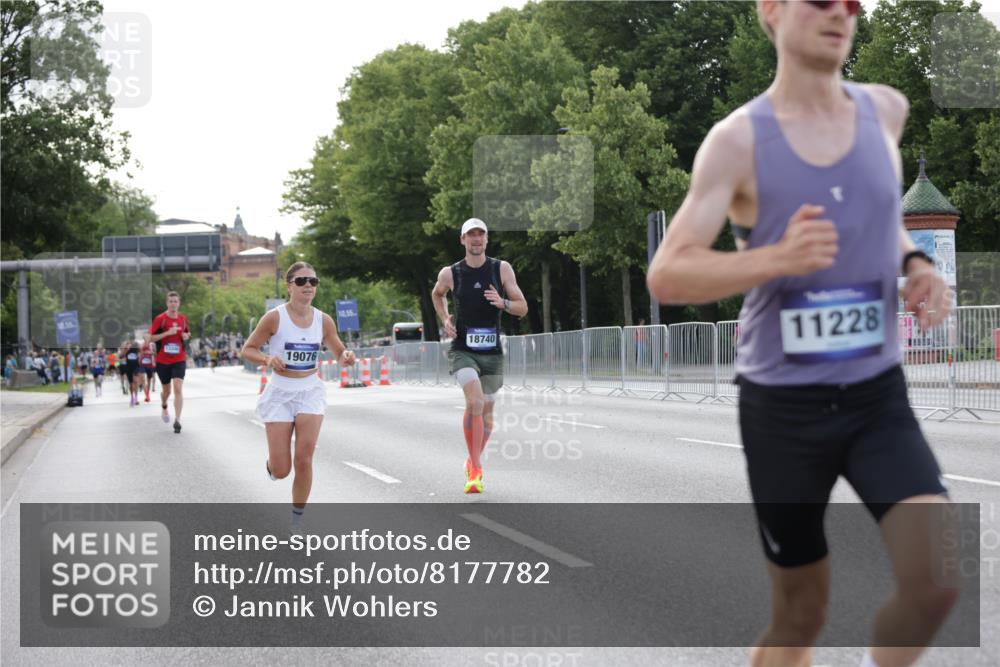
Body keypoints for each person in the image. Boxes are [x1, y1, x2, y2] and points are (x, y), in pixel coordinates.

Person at [647, 3, 956, 666]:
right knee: (801, 615)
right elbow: (668, 274)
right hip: (783, 408)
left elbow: (880, 215)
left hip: (877, 394)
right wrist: (775, 258)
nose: (842, 12)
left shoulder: (886, 111)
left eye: (854, 3)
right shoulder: (739, 141)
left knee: (933, 582)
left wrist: (915, 264)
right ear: (772, 10)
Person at [241, 262, 355, 533]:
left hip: (309, 392)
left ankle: (297, 520)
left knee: (304, 457)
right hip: (280, 392)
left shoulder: (323, 320)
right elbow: (249, 349)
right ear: (289, 285)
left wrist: (346, 357)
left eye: (313, 282)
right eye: (302, 281)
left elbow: (339, 351)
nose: (308, 286)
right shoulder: (274, 318)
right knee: (283, 470)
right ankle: (272, 465)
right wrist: (268, 358)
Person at [431, 218, 528, 494]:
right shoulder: (451, 273)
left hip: (492, 352)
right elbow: (437, 294)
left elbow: (522, 308)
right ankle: (475, 468)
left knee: (486, 414)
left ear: (486, 239)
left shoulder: (502, 269)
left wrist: (503, 303)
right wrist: (444, 318)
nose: (476, 239)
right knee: (474, 402)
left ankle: (472, 459)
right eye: (470, 235)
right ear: (462, 240)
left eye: (480, 234)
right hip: (463, 349)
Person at [147, 291, 191, 434]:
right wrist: (167, 333)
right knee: (167, 390)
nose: (173, 304)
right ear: (167, 303)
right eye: (171, 301)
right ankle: (164, 405)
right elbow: (149, 338)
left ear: (179, 303)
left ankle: (177, 420)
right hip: (163, 360)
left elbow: (187, 333)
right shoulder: (161, 319)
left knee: (178, 388)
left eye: (175, 301)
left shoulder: (183, 319)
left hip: (179, 359)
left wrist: (186, 336)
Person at [119, 337, 141, 407]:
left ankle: (136, 398)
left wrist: (140, 358)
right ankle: (132, 397)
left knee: (136, 381)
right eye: (131, 340)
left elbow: (141, 354)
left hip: (136, 367)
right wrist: (126, 349)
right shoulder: (126, 347)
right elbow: (121, 356)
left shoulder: (137, 347)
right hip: (128, 367)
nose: (132, 342)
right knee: (131, 384)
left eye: (133, 340)